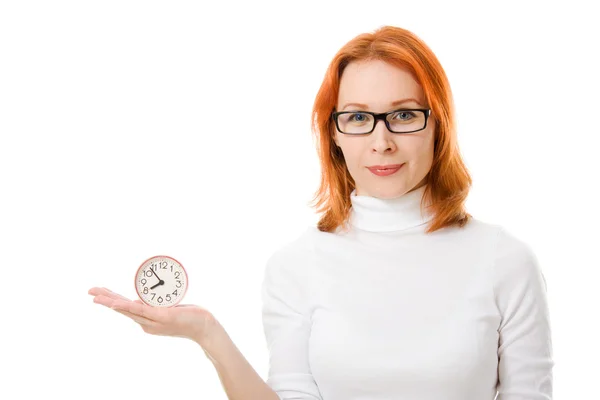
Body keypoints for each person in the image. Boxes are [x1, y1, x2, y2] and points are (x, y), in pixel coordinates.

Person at [88, 25, 554, 399]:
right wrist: (208, 336)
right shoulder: (295, 266)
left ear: (439, 125)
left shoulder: (506, 261)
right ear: (333, 133)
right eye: (357, 117)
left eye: (405, 114)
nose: (381, 140)